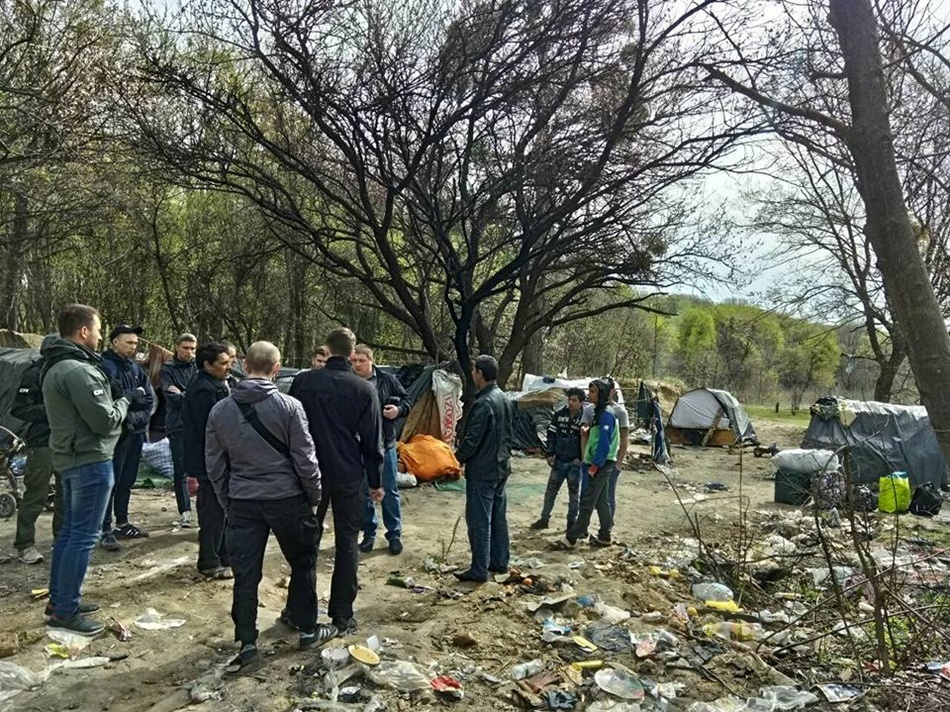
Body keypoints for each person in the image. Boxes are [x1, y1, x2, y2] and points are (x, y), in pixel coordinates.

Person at [206, 341, 337, 670]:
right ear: (277, 369)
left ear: (245, 365)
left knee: (245, 574)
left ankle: (247, 641)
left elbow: (215, 465)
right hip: (286, 499)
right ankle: (308, 629)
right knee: (303, 563)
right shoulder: (290, 406)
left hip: (243, 501)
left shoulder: (220, 410)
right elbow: (306, 460)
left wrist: (228, 499)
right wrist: (313, 497)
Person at [42, 304, 130, 635]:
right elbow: (103, 419)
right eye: (97, 330)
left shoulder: (57, 366)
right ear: (83, 332)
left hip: (72, 457)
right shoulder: (77, 371)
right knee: (82, 536)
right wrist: (124, 402)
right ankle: (65, 611)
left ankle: (62, 599)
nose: (98, 336)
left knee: (69, 533)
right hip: (89, 460)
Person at [289, 327, 384, 634]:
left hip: (308, 472)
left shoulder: (303, 382)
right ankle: (342, 614)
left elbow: (287, 426)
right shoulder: (363, 389)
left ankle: (298, 611)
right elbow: (372, 442)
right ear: (351, 352)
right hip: (348, 471)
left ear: (327, 351)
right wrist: (376, 481)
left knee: (306, 540)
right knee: (346, 542)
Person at [454, 355, 516, 583]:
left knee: (479, 521)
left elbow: (472, 440)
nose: (472, 374)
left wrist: (456, 459)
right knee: (498, 518)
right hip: (500, 467)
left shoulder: (484, 403)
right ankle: (500, 561)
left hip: (483, 470)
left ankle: (479, 569)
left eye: (473, 370)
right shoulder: (505, 399)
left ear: (480, 373)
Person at [351, 344, 413, 555]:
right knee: (365, 492)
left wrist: (398, 410)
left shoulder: (387, 380)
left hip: (385, 444)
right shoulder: (349, 381)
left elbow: (407, 400)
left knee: (389, 490)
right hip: (358, 446)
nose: (357, 364)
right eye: (354, 361)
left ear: (371, 360)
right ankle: (369, 533)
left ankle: (394, 534)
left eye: (361, 360)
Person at [99, 324, 155, 550]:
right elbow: (115, 398)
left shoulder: (135, 368)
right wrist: (133, 402)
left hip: (136, 432)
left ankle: (122, 522)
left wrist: (135, 413)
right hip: (117, 435)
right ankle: (104, 529)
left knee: (127, 481)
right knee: (110, 482)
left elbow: (148, 399)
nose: (134, 347)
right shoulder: (105, 365)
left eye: (135, 343)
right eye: (129, 342)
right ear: (114, 342)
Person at [181, 342, 233, 579]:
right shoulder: (204, 389)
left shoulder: (217, 384)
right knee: (212, 511)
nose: (228, 367)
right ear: (207, 365)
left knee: (220, 509)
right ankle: (209, 561)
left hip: (215, 459)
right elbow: (210, 429)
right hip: (209, 461)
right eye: (223, 363)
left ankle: (223, 554)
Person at [11, 334, 62, 564]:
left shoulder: (66, 372)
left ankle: (61, 538)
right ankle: (25, 544)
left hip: (67, 442)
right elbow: (19, 409)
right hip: (42, 443)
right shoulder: (34, 373)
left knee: (66, 493)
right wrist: (51, 411)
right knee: (36, 494)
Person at [555, 379, 617, 549]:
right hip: (600, 462)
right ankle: (605, 536)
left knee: (587, 501)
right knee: (602, 501)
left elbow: (604, 444)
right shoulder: (598, 412)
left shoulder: (606, 415)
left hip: (601, 464)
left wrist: (594, 466)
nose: (589, 395)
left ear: (602, 394)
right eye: (589, 391)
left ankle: (571, 538)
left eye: (593, 392)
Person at [530, 387, 585, 534]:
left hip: (574, 463)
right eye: (570, 400)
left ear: (581, 402)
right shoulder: (559, 415)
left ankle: (571, 523)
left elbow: (586, 441)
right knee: (550, 491)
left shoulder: (584, 419)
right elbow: (551, 435)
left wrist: (580, 458)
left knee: (574, 495)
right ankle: (544, 519)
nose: (571, 403)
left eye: (574, 400)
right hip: (558, 461)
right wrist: (550, 454)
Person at [160, 333, 198, 528]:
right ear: (176, 347)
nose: (189, 352)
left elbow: (204, 394)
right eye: (185, 348)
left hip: (199, 425)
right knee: (180, 470)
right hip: (177, 425)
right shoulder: (168, 369)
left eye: (192, 348)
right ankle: (185, 511)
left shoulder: (199, 366)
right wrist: (192, 395)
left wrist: (184, 393)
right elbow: (172, 398)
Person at [580, 377, 629, 516]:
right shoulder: (590, 410)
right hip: (591, 461)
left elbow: (624, 438)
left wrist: (618, 463)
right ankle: (584, 529)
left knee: (607, 498)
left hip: (608, 461)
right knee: (586, 495)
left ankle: (606, 530)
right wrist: (584, 458)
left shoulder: (618, 412)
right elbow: (585, 435)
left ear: (613, 391)